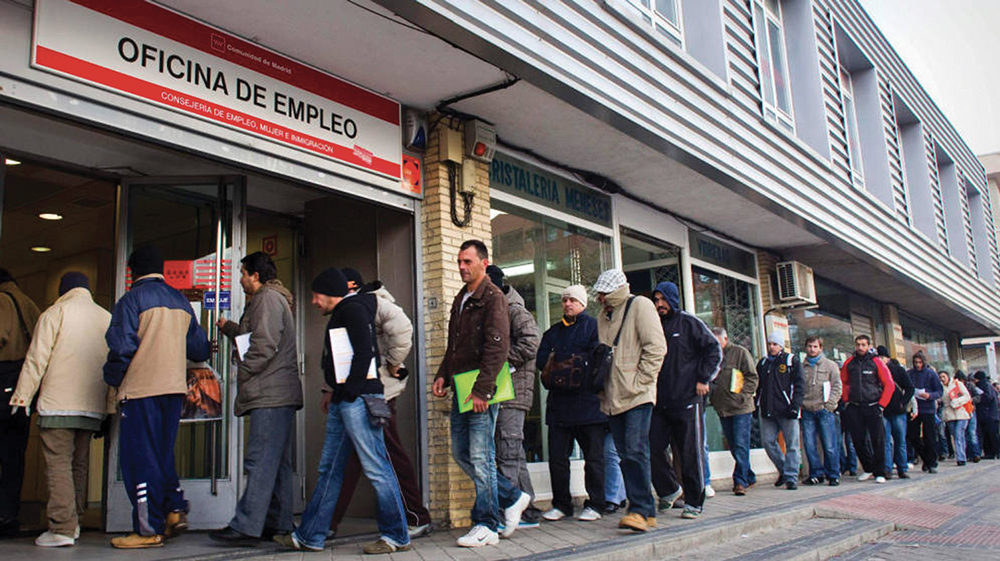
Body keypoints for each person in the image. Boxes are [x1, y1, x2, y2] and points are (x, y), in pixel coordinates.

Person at [275, 267, 410, 554]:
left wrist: (349, 391)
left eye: (315, 295)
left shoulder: (354, 310)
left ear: (329, 293)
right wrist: (338, 393)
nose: (313, 302)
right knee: (330, 469)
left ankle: (396, 535)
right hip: (345, 399)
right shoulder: (345, 311)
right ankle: (310, 536)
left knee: (376, 467)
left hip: (357, 400)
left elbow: (365, 354)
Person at [104, 246, 211, 548]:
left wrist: (111, 378)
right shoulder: (180, 301)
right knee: (162, 453)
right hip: (174, 389)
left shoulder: (131, 300)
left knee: (140, 459)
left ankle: (147, 529)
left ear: (132, 272)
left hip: (141, 389)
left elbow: (121, 347)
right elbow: (199, 349)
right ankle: (174, 508)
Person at [430, 241, 530, 548]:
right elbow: (455, 345)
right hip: (461, 386)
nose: (462, 266)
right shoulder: (462, 298)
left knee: (481, 455)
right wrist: (443, 374)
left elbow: (497, 346)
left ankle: (487, 523)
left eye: (468, 261)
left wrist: (483, 390)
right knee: (462, 453)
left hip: (480, 391)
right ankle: (512, 496)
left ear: (483, 264)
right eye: (459, 261)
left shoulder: (493, 297)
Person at [326, 269, 432, 539]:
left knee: (387, 456)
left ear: (351, 285)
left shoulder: (375, 302)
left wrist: (391, 364)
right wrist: (330, 389)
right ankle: (326, 522)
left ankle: (416, 516)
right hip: (360, 394)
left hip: (378, 395)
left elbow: (403, 329)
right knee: (348, 460)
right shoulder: (355, 306)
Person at [8, 272, 110, 547]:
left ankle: (62, 527)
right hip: (92, 406)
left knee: (58, 465)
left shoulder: (55, 312)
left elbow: (36, 359)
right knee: (78, 464)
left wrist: (21, 398)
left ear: (62, 290)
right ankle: (75, 519)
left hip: (58, 404)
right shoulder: (105, 317)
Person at [209, 252, 303, 545]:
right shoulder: (273, 300)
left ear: (256, 276)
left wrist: (244, 372)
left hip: (270, 394)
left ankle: (246, 526)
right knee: (277, 463)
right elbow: (255, 337)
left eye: (243, 273)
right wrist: (227, 328)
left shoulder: (266, 299)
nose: (240, 279)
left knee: (260, 460)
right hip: (278, 393)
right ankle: (278, 523)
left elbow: (263, 345)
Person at [593, 269, 666, 533]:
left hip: (637, 395)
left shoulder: (641, 306)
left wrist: (640, 382)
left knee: (635, 451)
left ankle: (641, 510)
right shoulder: (603, 315)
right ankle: (644, 509)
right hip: (612, 396)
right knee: (625, 455)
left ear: (614, 291)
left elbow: (656, 347)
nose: (599, 298)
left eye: (603, 293)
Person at [648, 281, 721, 520]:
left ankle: (694, 501)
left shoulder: (689, 323)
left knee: (690, 453)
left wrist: (703, 378)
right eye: (656, 300)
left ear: (673, 299)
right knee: (652, 447)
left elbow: (714, 350)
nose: (659, 304)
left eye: (663, 299)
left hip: (687, 400)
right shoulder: (653, 325)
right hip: (659, 401)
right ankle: (669, 489)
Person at [537, 285, 605, 522]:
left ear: (583, 303)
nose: (567, 304)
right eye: (565, 300)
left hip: (589, 406)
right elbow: (541, 361)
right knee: (557, 458)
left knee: (594, 459)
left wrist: (564, 364)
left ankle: (596, 504)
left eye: (572, 300)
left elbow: (598, 362)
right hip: (559, 407)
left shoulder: (594, 328)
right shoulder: (552, 333)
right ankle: (561, 504)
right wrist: (570, 364)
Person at [486, 265, 541, 527]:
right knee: (513, 452)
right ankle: (528, 509)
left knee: (506, 451)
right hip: (504, 392)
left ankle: (506, 511)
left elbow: (532, 340)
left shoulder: (514, 309)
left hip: (514, 392)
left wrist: (503, 359)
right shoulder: (499, 307)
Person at [0, 267, 41, 537]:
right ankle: (8, 514)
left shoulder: (2, 300)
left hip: (3, 379)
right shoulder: (30, 304)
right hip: (22, 387)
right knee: (14, 455)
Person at [839, 335, 895, 484]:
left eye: (863, 345)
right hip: (855, 407)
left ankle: (880, 472)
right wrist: (846, 400)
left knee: (878, 440)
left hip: (873, 406)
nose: (860, 348)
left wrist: (881, 404)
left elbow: (889, 384)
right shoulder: (849, 363)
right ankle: (868, 468)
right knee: (857, 440)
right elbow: (842, 382)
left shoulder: (876, 362)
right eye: (858, 345)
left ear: (868, 346)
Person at [709, 327, 758, 495]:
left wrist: (743, 396)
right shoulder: (713, 355)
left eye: (717, 341)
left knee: (740, 443)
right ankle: (749, 475)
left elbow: (752, 377)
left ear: (725, 339)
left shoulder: (739, 352)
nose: (715, 345)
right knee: (733, 446)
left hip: (741, 408)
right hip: (723, 408)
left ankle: (740, 481)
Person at [755, 331, 804, 490]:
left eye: (775, 344)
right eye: (769, 344)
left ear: (781, 345)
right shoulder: (763, 363)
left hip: (787, 409)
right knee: (768, 442)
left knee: (792, 444)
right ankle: (783, 469)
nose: (771, 347)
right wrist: (757, 404)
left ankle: (791, 477)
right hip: (768, 410)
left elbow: (799, 385)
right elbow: (759, 386)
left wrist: (795, 406)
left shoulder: (791, 361)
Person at [799, 336, 842, 486]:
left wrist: (830, 405)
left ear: (821, 348)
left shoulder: (830, 365)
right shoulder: (801, 366)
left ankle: (833, 474)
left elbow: (837, 386)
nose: (812, 349)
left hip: (824, 410)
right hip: (807, 410)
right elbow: (797, 387)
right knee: (809, 445)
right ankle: (816, 474)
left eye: (815, 346)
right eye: (810, 346)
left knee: (829, 444)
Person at [876, 346, 914, 479]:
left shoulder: (898, 370)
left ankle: (902, 468)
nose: (880, 360)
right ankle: (887, 469)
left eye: (882, 357)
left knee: (900, 440)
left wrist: (902, 402)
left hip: (898, 411)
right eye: (878, 357)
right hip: (883, 410)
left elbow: (910, 388)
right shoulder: (875, 371)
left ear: (887, 358)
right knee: (885, 441)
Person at [907, 351, 943, 473]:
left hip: (928, 408)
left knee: (929, 436)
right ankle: (925, 458)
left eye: (920, 362)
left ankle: (932, 462)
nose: (918, 365)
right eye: (916, 362)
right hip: (913, 408)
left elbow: (939, 391)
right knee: (912, 435)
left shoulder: (931, 374)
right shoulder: (910, 374)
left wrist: (929, 395)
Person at [939, 370, 972, 466]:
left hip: (961, 413)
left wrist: (957, 401)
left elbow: (967, 396)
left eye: (943, 376)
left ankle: (961, 458)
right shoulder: (941, 387)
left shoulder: (957, 384)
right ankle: (962, 454)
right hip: (949, 415)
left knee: (958, 435)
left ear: (948, 376)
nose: (942, 379)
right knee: (957, 436)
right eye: (940, 377)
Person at [954, 371, 982, 462]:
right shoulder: (955, 387)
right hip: (962, 412)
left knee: (972, 432)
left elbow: (978, 396)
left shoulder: (970, 385)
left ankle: (976, 453)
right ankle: (969, 454)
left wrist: (970, 400)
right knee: (965, 434)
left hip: (970, 410)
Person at [973, 371, 1000, 459]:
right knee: (987, 435)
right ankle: (990, 453)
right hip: (987, 415)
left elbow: (988, 397)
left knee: (992, 435)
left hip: (989, 415)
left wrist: (978, 398)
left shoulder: (986, 386)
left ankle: (996, 452)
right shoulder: (987, 386)